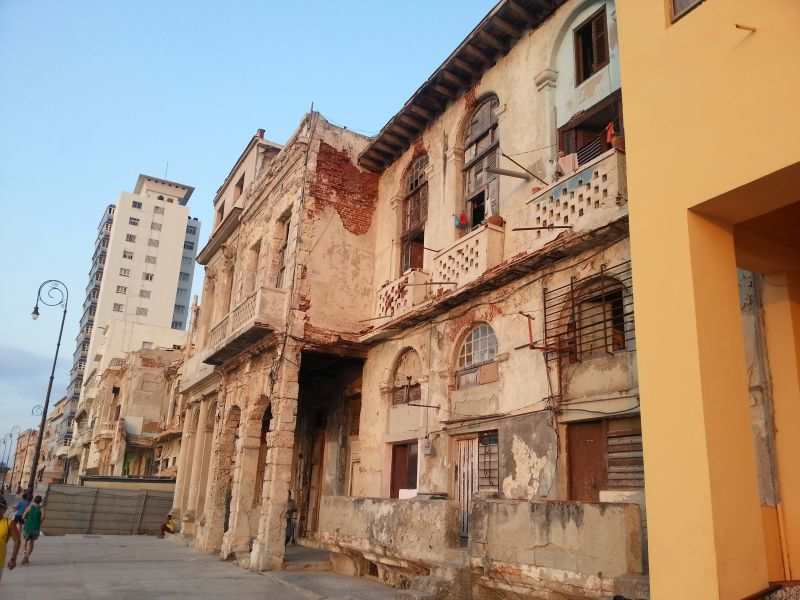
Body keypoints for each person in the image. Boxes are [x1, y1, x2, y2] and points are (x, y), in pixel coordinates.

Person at [0, 496, 21, 583]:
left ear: (4, 509)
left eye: (0, 507)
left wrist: (13, 558)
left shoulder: (9, 523)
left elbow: (17, 540)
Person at [20, 495, 43, 566]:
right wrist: (39, 522)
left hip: (28, 527)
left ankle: (24, 554)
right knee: (32, 542)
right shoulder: (41, 509)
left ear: (34, 500)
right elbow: (43, 517)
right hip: (36, 528)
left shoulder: (30, 507)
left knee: (25, 541)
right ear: (40, 501)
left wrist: (25, 520)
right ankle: (27, 557)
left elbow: (23, 516)